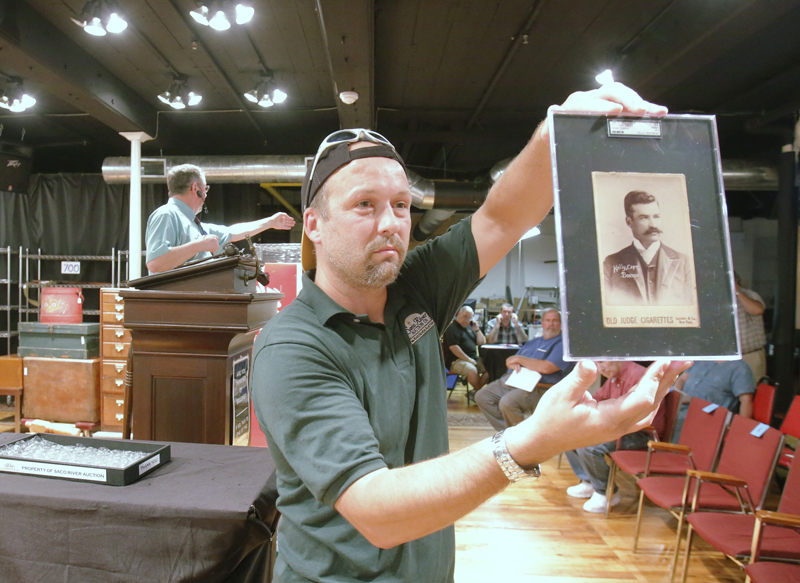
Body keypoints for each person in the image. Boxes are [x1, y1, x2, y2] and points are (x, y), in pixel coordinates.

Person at [251, 84, 691, 583]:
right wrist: (526, 443)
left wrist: (555, 133)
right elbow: (374, 509)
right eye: (364, 205)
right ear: (314, 224)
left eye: (400, 204)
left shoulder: (414, 289)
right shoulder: (292, 347)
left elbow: (503, 217)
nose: (390, 222)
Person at [145, 163, 296, 273]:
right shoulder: (166, 214)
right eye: (206, 189)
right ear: (195, 188)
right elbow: (155, 263)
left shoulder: (195, 224)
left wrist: (270, 222)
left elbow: (233, 232)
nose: (206, 195)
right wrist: (200, 245)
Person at [565, 360, 668, 513]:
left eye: (602, 362)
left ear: (617, 358)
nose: (601, 368)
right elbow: (598, 397)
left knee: (590, 447)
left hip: (641, 433)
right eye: (597, 364)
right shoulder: (615, 373)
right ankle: (589, 481)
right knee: (569, 437)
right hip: (622, 427)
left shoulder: (638, 376)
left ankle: (606, 492)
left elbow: (635, 415)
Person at [474, 308, 571, 430]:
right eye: (548, 320)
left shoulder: (563, 344)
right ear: (542, 323)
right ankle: (508, 433)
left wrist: (520, 360)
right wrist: (514, 363)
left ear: (561, 323)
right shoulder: (534, 342)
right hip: (515, 380)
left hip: (539, 387)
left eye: (555, 321)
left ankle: (523, 438)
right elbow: (510, 360)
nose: (551, 324)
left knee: (507, 403)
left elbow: (547, 367)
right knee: (482, 396)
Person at [602, 190, 692, 306]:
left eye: (656, 216)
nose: (653, 225)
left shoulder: (684, 262)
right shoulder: (610, 263)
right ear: (629, 222)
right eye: (644, 218)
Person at [672, 360, 755, 441]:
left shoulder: (740, 368)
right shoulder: (702, 358)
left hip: (707, 417)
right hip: (679, 407)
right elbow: (682, 379)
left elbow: (746, 401)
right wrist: (677, 395)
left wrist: (741, 432)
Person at [443, 305, 488, 397]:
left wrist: (477, 330)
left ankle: (475, 392)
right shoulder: (451, 328)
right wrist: (468, 359)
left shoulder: (470, 328)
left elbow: (481, 342)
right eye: (464, 316)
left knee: (489, 369)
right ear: (459, 314)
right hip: (455, 360)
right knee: (472, 370)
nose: (467, 320)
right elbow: (453, 347)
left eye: (470, 317)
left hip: (472, 358)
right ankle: (479, 394)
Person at [734, 272, 767, 382]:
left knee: (754, 391)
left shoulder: (750, 294)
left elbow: (758, 310)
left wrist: (737, 291)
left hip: (750, 355)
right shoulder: (718, 298)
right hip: (727, 358)